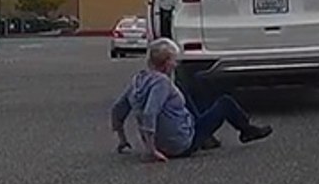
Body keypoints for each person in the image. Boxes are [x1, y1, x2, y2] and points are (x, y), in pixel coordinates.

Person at [111, 38, 271, 161]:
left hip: (169, 138)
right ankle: (246, 131)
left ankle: (207, 139)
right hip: (181, 144)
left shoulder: (138, 81)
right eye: (174, 60)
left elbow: (118, 109)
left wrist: (122, 138)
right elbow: (149, 113)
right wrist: (152, 151)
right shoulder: (162, 83)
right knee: (225, 103)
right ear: (166, 64)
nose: (176, 64)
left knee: (184, 91)